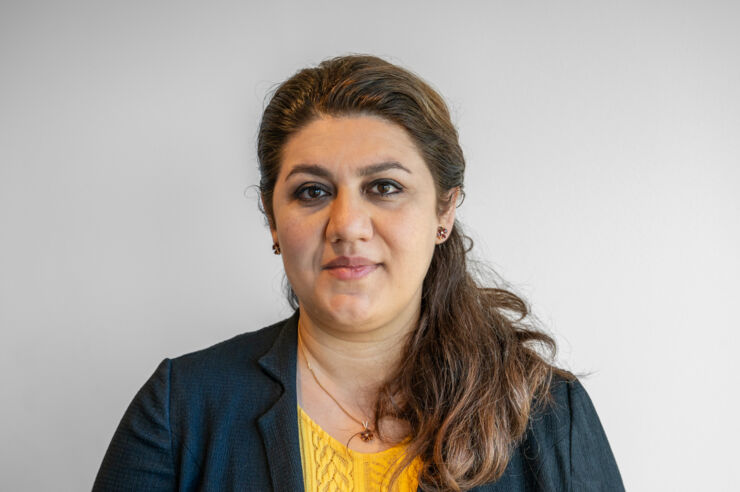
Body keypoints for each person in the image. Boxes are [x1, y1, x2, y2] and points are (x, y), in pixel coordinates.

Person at [93, 55, 624, 492]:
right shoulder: (180, 408)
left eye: (385, 187)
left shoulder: (550, 415)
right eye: (313, 191)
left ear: (444, 212)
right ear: (272, 218)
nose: (346, 225)